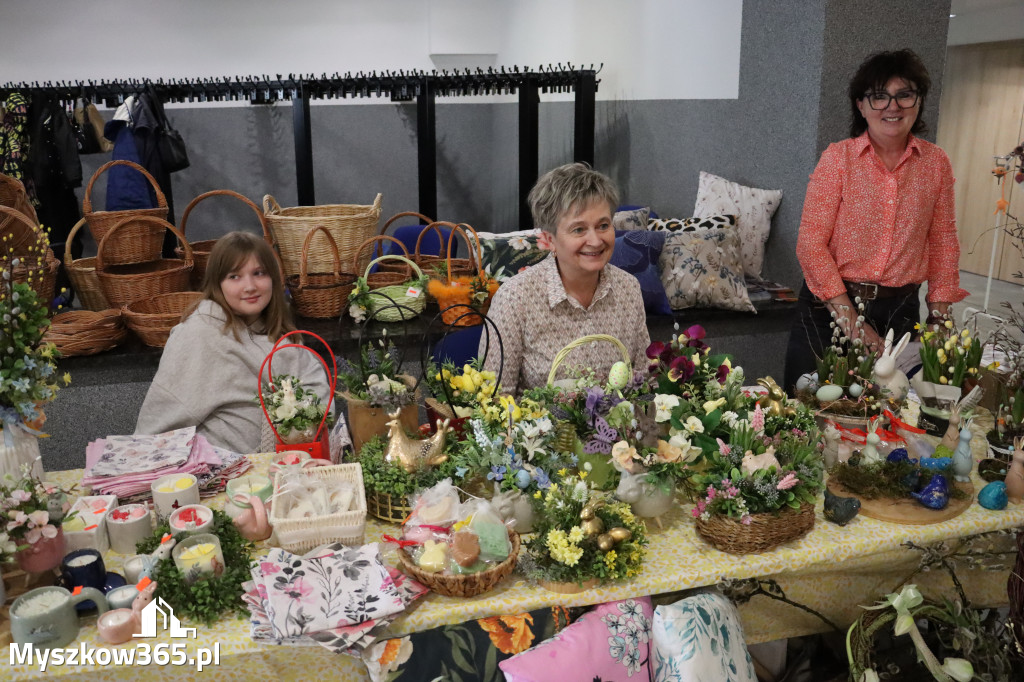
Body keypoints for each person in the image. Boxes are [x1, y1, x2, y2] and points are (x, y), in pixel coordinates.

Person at [783, 49, 968, 392]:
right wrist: (852, 324)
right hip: (831, 308)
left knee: (887, 415)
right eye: (879, 96)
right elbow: (810, 245)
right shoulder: (838, 159)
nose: (892, 107)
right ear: (861, 105)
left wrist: (940, 321)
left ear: (919, 101)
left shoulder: (935, 164)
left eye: (904, 95)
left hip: (900, 311)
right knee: (808, 412)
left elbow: (943, 241)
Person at [136, 232, 329, 452]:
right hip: (223, 475)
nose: (250, 286)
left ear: (273, 279)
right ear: (217, 284)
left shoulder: (283, 335)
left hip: (292, 465)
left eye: (259, 273)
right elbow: (160, 423)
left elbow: (319, 398)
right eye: (234, 276)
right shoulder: (199, 334)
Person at [480, 163, 650, 394]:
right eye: (579, 230)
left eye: (603, 225)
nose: (595, 240)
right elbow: (494, 400)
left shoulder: (628, 288)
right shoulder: (515, 299)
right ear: (549, 240)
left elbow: (644, 380)